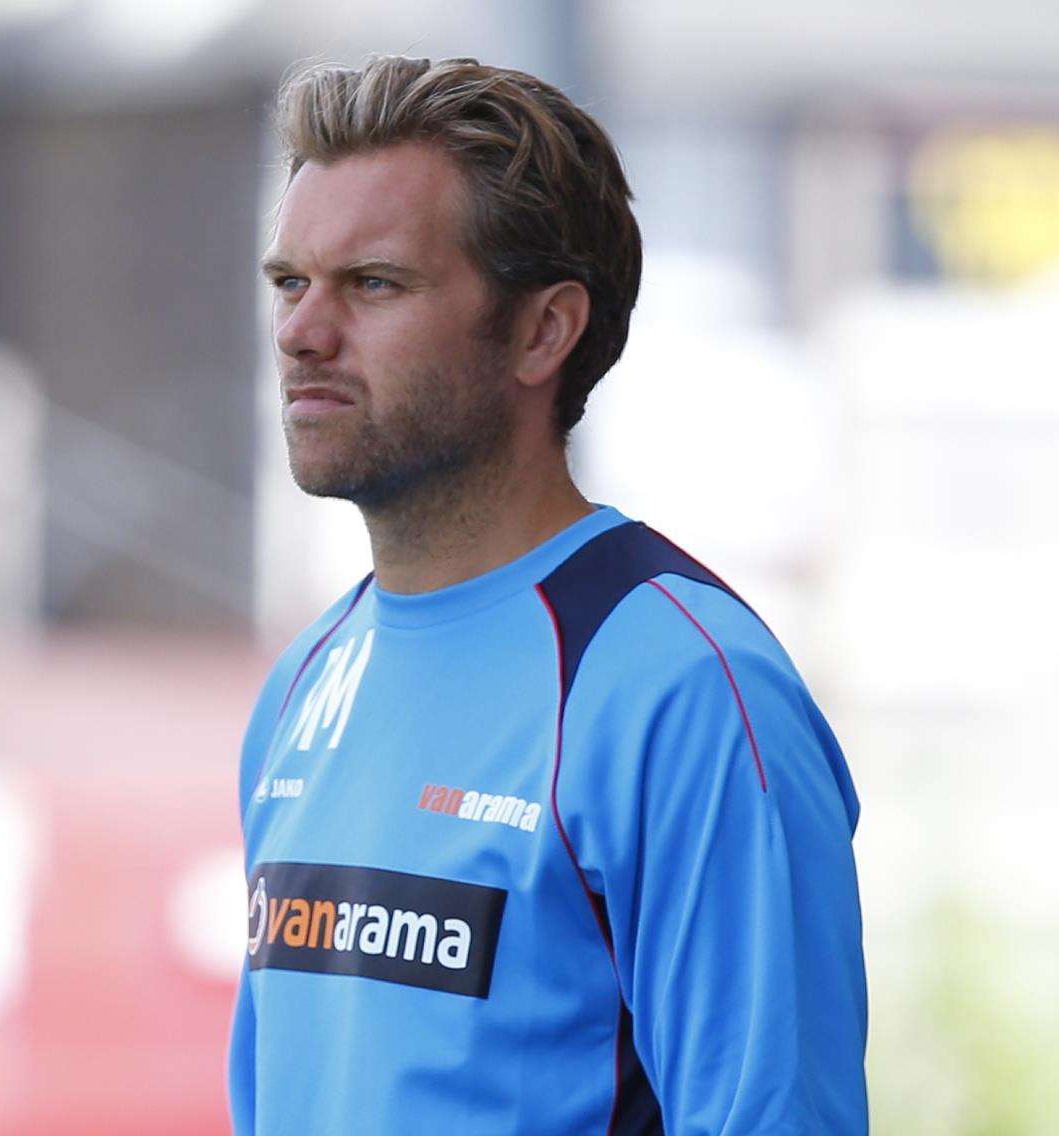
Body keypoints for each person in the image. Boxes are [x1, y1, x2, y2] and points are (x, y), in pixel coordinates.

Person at [229, 53, 868, 1135]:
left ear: (542, 330)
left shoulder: (680, 688)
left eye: (372, 283)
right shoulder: (305, 682)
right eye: (290, 281)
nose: (301, 331)